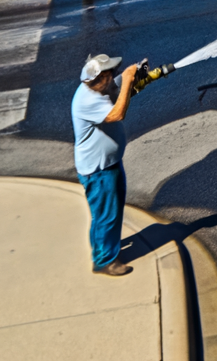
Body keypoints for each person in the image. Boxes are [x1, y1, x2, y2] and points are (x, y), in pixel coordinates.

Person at [73, 53, 142, 276]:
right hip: (99, 170)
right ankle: (105, 261)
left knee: (105, 214)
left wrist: (139, 76)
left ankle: (103, 248)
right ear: (99, 78)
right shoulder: (88, 100)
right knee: (107, 216)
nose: (113, 76)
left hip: (106, 165)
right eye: (109, 73)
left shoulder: (98, 89)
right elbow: (117, 113)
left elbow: (118, 90)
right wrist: (129, 80)